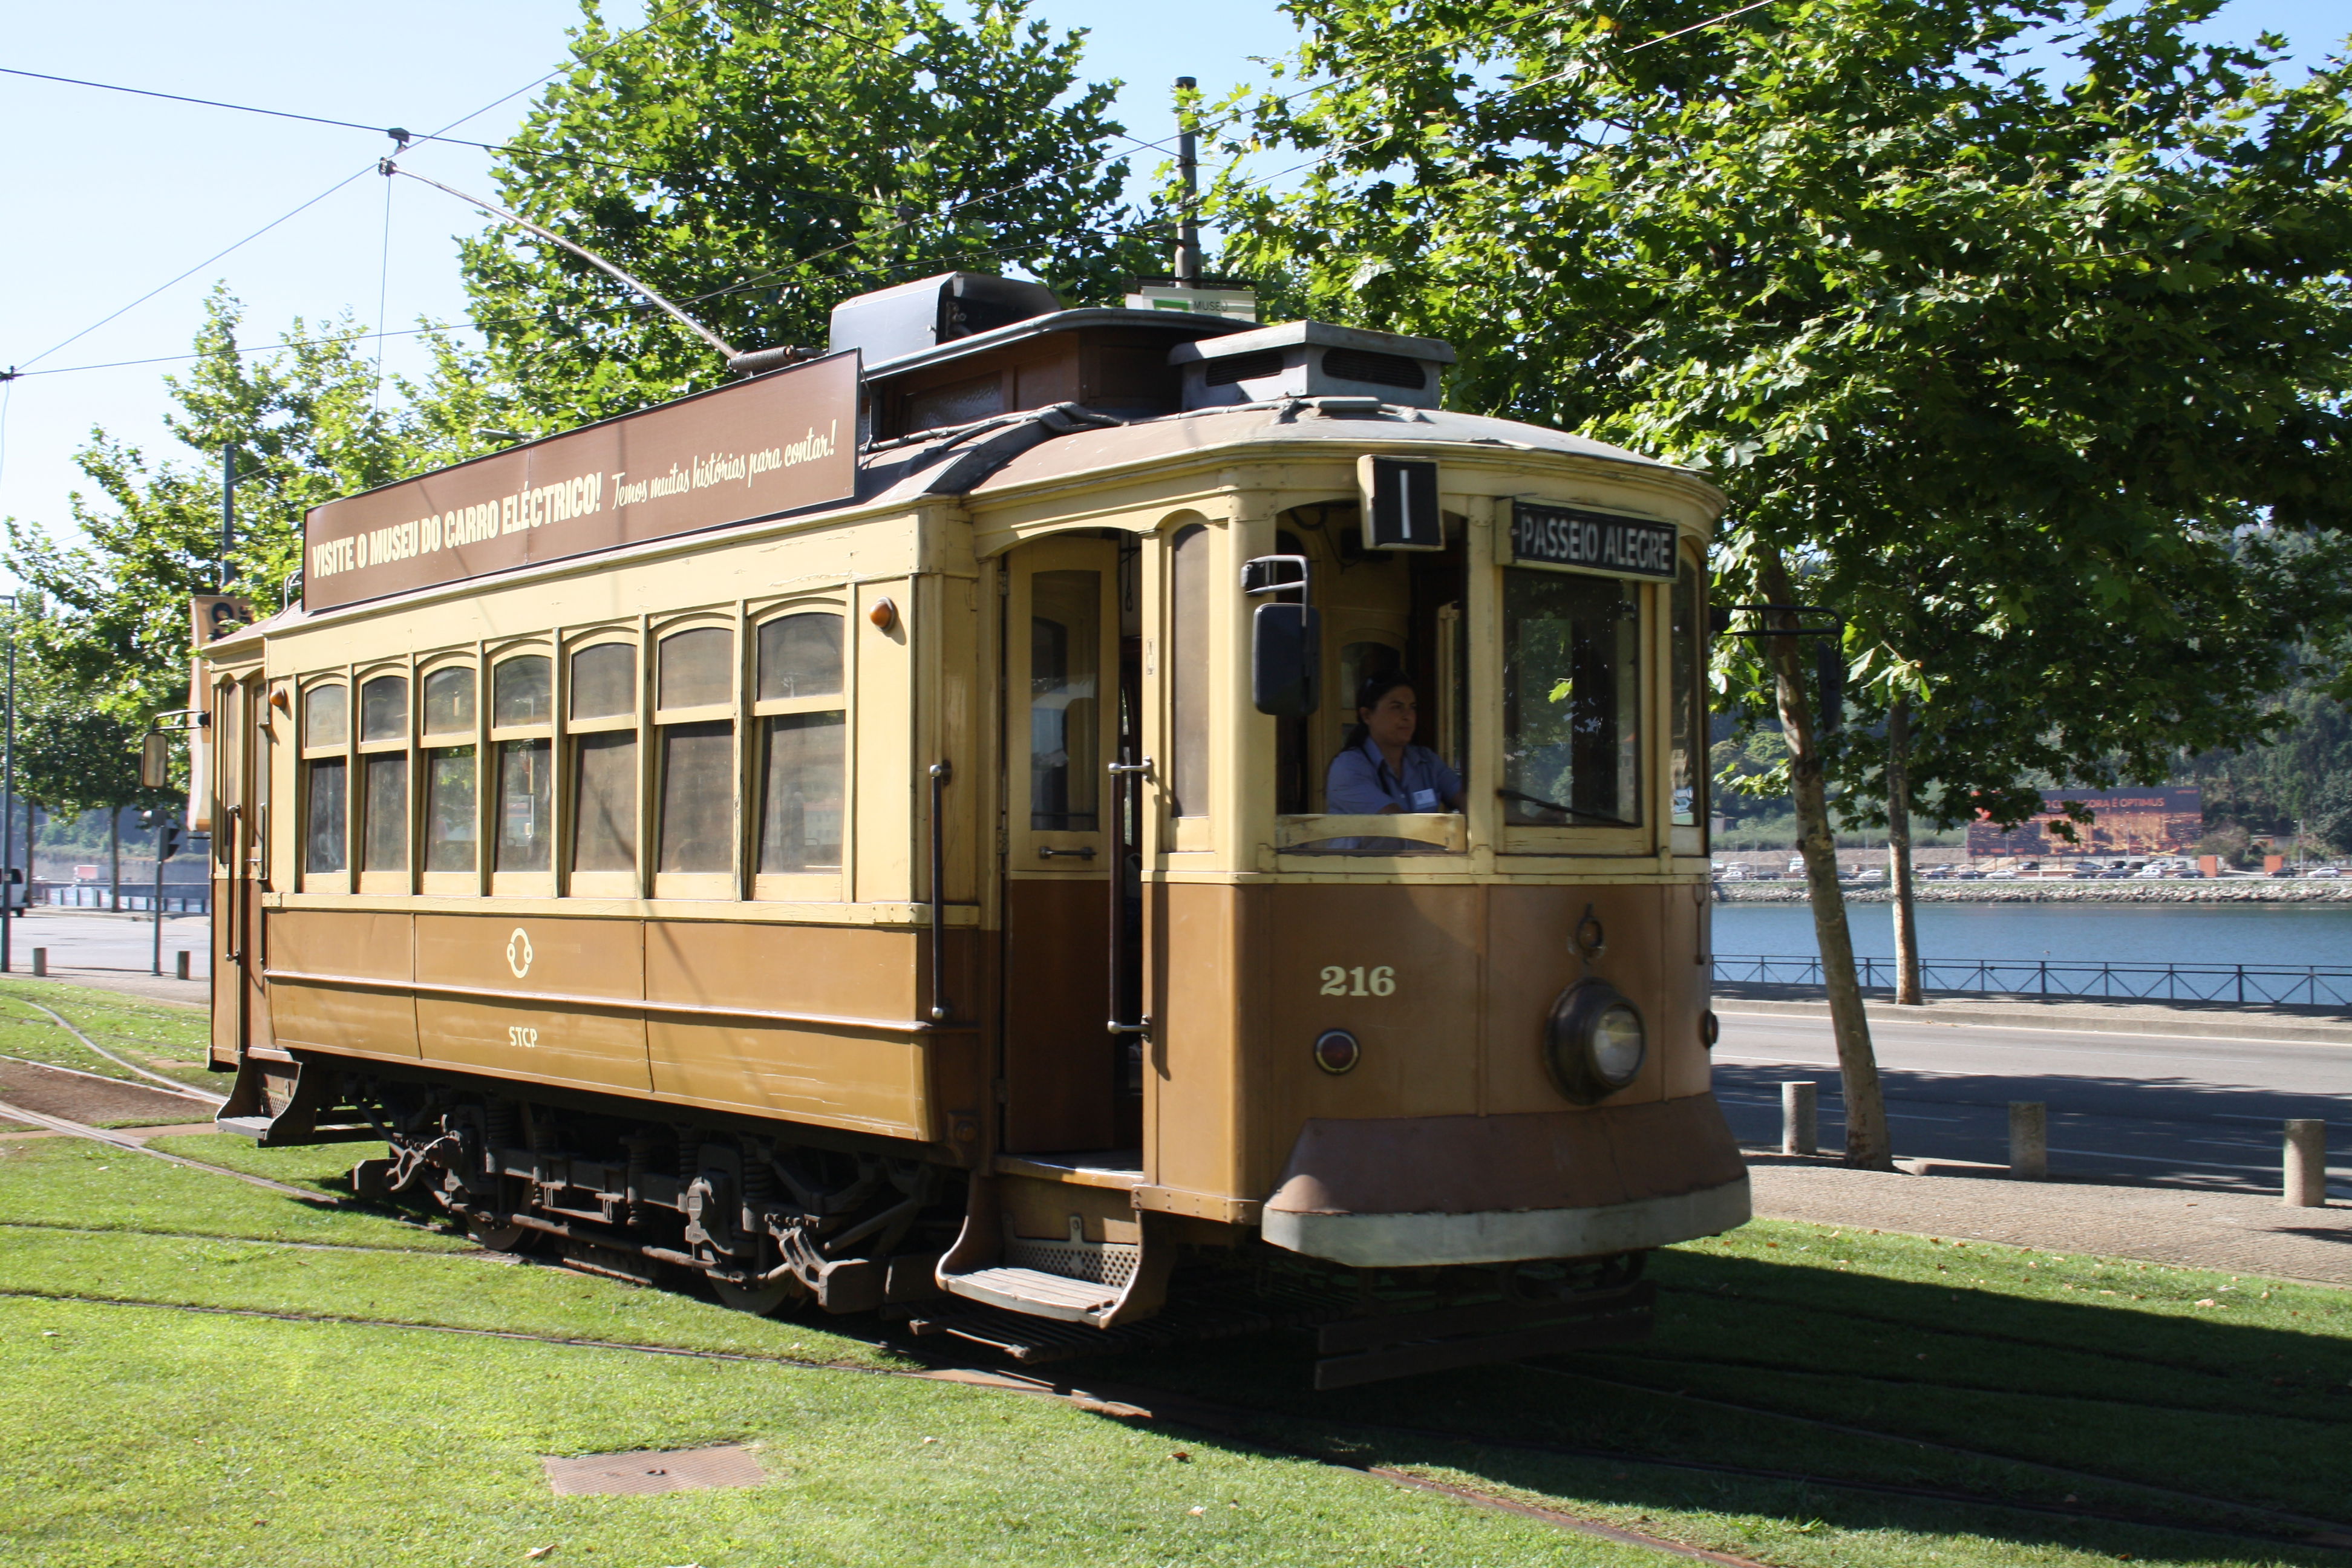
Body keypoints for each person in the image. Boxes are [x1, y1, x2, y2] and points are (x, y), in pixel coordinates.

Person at [1325, 672, 1464, 821]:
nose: (1408, 716)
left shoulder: (1427, 761)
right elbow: (1397, 826)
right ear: (1367, 715)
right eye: (1396, 707)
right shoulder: (1348, 767)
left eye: (1412, 707)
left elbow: (1470, 802)